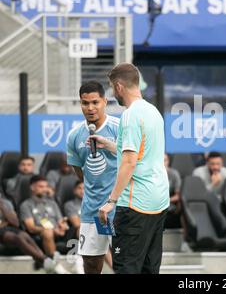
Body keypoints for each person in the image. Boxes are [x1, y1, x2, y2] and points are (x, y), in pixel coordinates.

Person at [98, 63, 170, 274]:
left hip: (135, 205)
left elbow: (129, 163)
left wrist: (111, 201)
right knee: (149, 270)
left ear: (119, 86)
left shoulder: (130, 116)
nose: (112, 93)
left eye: (112, 88)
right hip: (158, 201)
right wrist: (111, 145)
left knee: (126, 269)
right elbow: (142, 154)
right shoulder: (153, 111)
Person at [66, 81, 119, 274]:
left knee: (123, 264)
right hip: (92, 211)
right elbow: (80, 172)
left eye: (95, 102)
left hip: (119, 209)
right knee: (91, 265)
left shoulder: (120, 128)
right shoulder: (74, 136)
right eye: (85, 103)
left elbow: (134, 163)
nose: (90, 108)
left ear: (105, 101)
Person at [0, 192, 67, 274]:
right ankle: (46, 260)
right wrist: (4, 222)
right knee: (18, 238)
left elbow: (15, 223)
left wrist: (2, 206)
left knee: (25, 235)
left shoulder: (5, 203)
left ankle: (44, 262)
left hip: (9, 227)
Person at [19, 175, 71, 274]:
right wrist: (51, 230)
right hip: (39, 235)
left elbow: (61, 220)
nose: (44, 189)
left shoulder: (52, 203)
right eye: (41, 186)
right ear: (32, 187)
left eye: (46, 186)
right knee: (48, 232)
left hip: (57, 233)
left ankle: (83, 264)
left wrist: (62, 226)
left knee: (81, 228)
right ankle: (55, 265)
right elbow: (31, 227)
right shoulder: (26, 205)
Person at [164, 153, 182, 228]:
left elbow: (178, 195)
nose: (163, 163)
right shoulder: (151, 174)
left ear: (168, 161)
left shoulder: (174, 174)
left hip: (170, 206)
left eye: (165, 160)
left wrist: (168, 200)